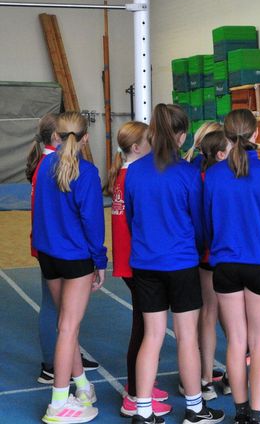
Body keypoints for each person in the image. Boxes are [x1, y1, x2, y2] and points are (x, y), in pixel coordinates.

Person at [124, 104, 224, 424]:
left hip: (145, 263)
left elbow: (131, 218)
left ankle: (142, 411)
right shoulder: (188, 173)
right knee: (186, 338)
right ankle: (195, 408)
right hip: (181, 263)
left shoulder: (133, 171)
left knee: (152, 336)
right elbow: (200, 223)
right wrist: (199, 247)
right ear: (181, 136)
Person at [204, 109, 260, 424]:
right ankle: (258, 415)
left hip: (226, 264)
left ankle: (240, 412)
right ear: (256, 134)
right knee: (259, 345)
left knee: (236, 342)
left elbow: (207, 222)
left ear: (226, 136)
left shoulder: (213, 175)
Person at [32, 111, 107, 423]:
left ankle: (83, 387)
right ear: (85, 138)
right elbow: (92, 222)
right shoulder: (86, 173)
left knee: (66, 325)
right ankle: (59, 403)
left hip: (49, 255)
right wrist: (100, 260)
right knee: (68, 327)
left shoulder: (44, 166)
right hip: (74, 257)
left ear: (56, 137)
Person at [105, 121, 171, 418]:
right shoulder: (134, 177)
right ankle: (134, 393)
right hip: (138, 262)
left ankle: (141, 384)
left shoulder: (123, 175)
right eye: (149, 142)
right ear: (136, 148)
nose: (154, 146)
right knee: (143, 329)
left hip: (130, 259)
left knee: (143, 327)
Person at [197, 128, 230, 401]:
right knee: (231, 316)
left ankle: (206, 380)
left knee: (208, 314)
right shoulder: (228, 178)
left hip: (208, 254)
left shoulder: (200, 178)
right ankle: (231, 376)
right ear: (220, 154)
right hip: (227, 253)